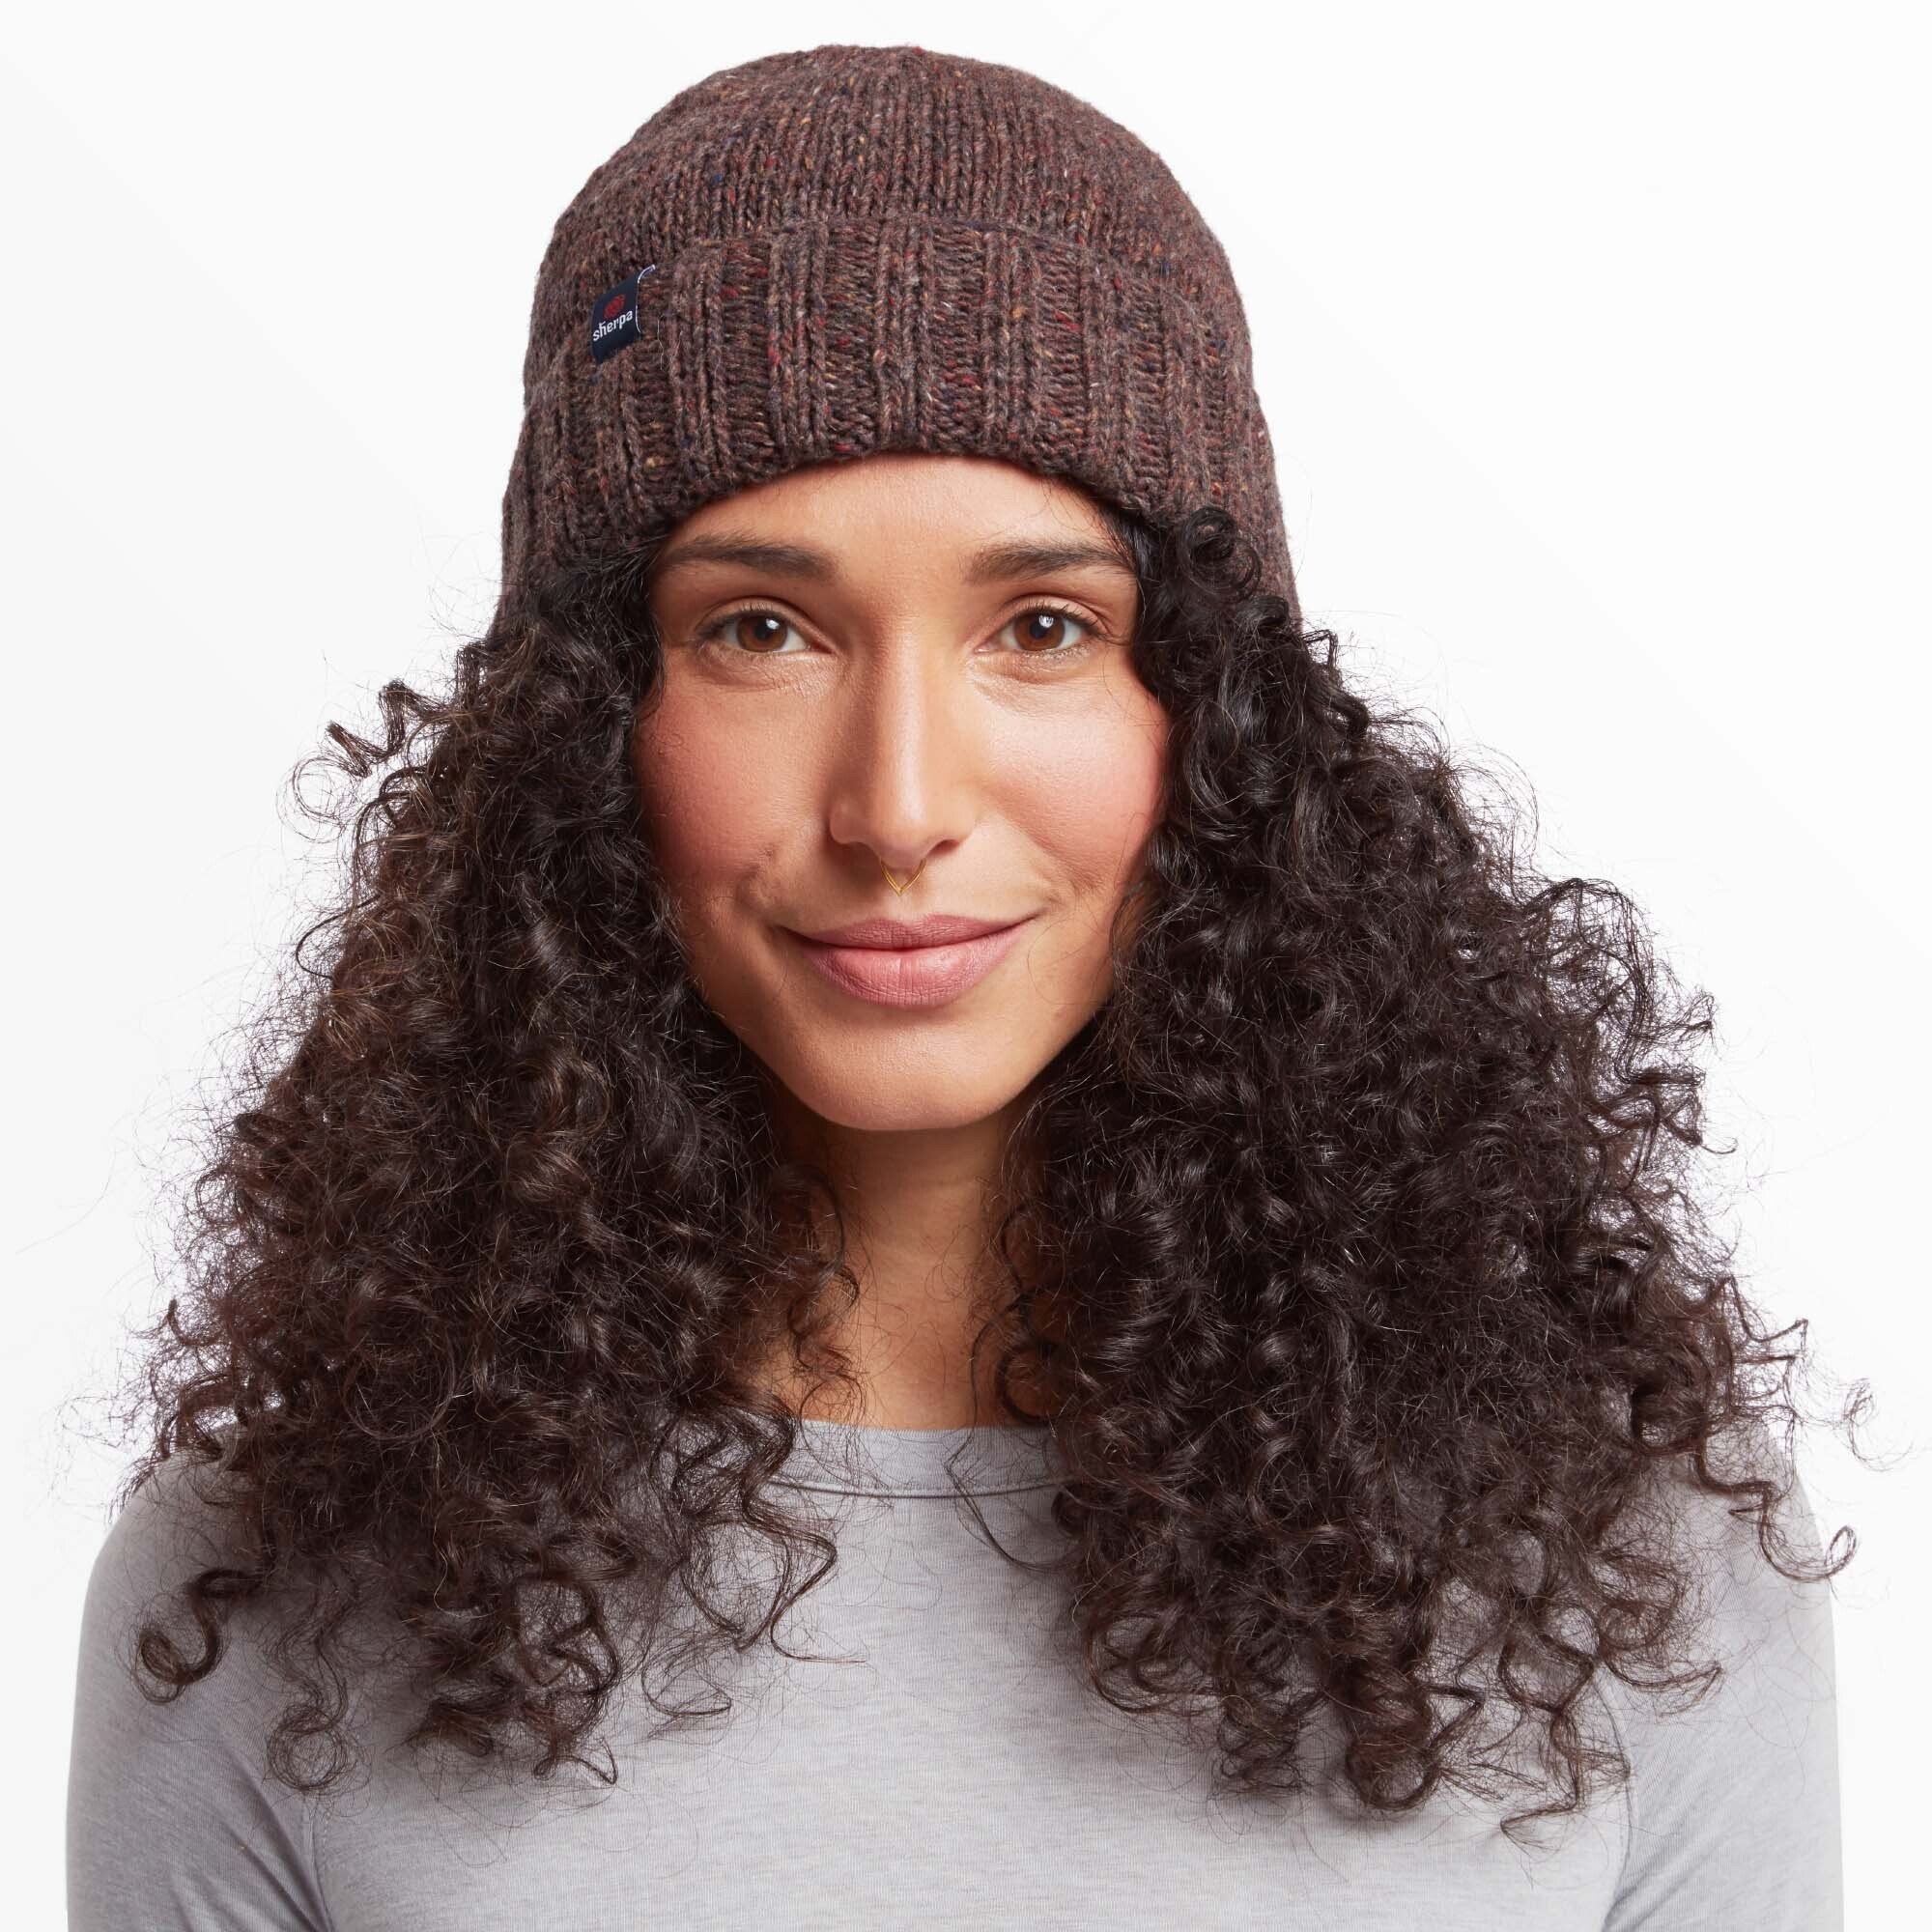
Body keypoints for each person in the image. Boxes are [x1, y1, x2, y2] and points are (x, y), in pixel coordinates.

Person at [66, 42, 1859, 1929]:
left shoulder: (1622, 1567)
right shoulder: (271, 1596)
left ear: (1218, 718)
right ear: (582, 730)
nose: (899, 803)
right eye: (761, 629)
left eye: (1042, 629)